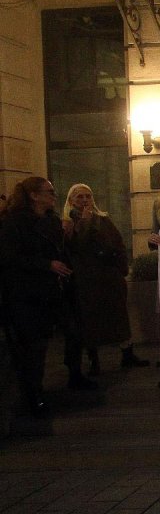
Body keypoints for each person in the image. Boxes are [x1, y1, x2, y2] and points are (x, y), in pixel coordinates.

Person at [1, 178, 93, 417]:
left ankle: (74, 374)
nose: (53, 195)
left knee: (73, 331)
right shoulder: (14, 222)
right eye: (49, 192)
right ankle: (33, 396)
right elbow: (11, 258)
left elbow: (63, 249)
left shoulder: (51, 220)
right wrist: (46, 264)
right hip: (30, 293)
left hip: (57, 289)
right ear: (33, 195)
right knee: (34, 347)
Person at [63, 184, 148, 375]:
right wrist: (83, 223)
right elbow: (76, 246)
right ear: (71, 201)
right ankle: (94, 360)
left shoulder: (103, 220)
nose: (85, 200)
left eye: (88, 196)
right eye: (80, 197)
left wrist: (121, 268)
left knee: (118, 316)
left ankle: (127, 354)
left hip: (109, 276)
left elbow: (117, 242)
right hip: (87, 279)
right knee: (92, 320)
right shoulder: (68, 223)